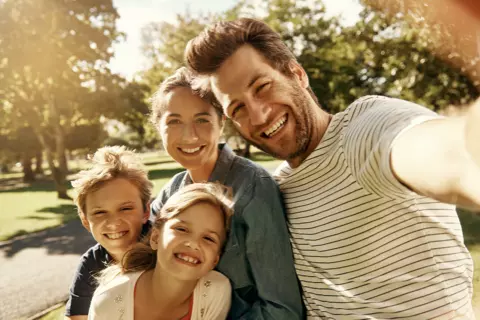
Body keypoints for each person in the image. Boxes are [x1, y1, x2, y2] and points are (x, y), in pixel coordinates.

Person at [184, 18, 480, 319]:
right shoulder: (274, 190)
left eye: (262, 87)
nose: (258, 116)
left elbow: (440, 152)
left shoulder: (363, 131)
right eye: (238, 109)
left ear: (297, 75)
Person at [149, 67, 304, 319]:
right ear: (159, 127)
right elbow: (140, 267)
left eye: (202, 120)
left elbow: (282, 311)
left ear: (221, 121)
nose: (189, 135)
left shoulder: (253, 187)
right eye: (174, 121)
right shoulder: (169, 194)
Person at [88, 183, 233, 320]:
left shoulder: (216, 290)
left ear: (215, 259)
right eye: (181, 229)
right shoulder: (108, 301)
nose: (194, 243)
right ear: (156, 238)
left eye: (208, 238)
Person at [65, 146, 153, 320]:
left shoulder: (165, 250)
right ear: (85, 221)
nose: (113, 222)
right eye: (99, 212)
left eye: (125, 208)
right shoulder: (91, 263)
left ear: (146, 211)